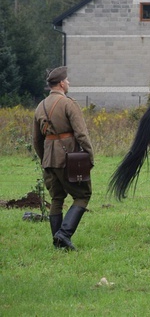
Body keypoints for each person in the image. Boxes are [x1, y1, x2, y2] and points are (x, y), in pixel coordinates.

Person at [32, 67, 94, 250]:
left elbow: (36, 140)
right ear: (61, 83)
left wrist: (45, 159)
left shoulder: (39, 106)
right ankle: (64, 234)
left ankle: (58, 242)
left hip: (49, 159)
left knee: (57, 199)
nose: (68, 83)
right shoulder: (69, 104)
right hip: (69, 159)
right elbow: (81, 134)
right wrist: (90, 156)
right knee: (83, 195)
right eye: (67, 81)